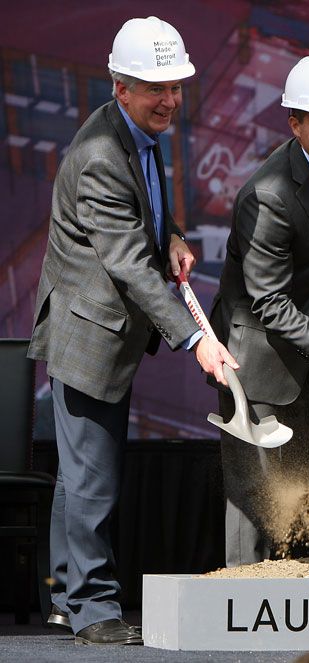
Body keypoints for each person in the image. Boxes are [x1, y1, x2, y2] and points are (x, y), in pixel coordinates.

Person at [27, 16, 237, 645]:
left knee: (78, 474)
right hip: (87, 332)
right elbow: (125, 264)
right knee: (93, 478)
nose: (170, 99)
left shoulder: (140, 132)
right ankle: (93, 610)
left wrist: (171, 234)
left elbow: (144, 213)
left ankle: (67, 593)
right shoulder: (98, 156)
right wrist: (197, 338)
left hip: (104, 326)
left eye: (175, 86)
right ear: (121, 87)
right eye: (155, 88)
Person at [211, 55, 309, 566]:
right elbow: (268, 301)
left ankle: (285, 608)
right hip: (253, 362)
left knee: (294, 494)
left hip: (296, 358)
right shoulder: (267, 196)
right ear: (294, 124)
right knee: (257, 505)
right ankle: (239, 621)